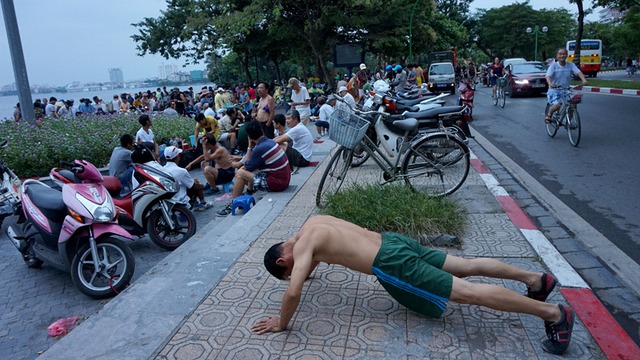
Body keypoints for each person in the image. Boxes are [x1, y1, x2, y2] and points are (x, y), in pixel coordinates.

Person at [252, 215, 575, 355]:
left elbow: (294, 290)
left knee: (466, 293)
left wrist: (282, 323)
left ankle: (552, 313)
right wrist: (309, 265)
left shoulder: (305, 248)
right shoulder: (312, 224)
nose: (302, 273)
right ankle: (535, 279)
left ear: (284, 262)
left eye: (292, 271)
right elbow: (325, 251)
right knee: (464, 266)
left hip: (392, 262)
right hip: (393, 242)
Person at [217, 121, 290, 216]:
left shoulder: (259, 148)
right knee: (247, 169)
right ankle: (249, 192)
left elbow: (246, 166)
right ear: (262, 131)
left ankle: (233, 204)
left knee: (240, 173)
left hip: (278, 183)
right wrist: (241, 159)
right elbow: (253, 161)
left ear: (249, 137)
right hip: (284, 179)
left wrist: (249, 148)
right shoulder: (269, 141)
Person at [545, 48, 588, 123]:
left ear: (567, 55)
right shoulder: (553, 66)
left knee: (572, 105)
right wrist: (550, 84)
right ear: (557, 56)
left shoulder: (571, 65)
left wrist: (583, 80)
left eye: (564, 54)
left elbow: (578, 72)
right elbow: (548, 76)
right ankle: (549, 114)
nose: (562, 56)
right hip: (555, 90)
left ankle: (569, 122)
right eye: (560, 54)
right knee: (557, 105)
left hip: (566, 90)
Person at [163, 146, 211, 211]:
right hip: (181, 201)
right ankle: (203, 203)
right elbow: (195, 186)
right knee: (196, 183)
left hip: (169, 199)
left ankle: (196, 203)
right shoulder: (181, 171)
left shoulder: (162, 169)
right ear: (177, 157)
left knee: (192, 181)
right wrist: (203, 186)